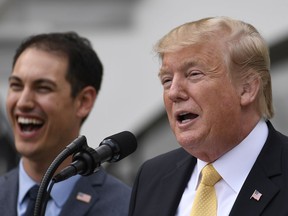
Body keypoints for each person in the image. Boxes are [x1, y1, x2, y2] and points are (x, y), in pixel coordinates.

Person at [128, 16, 288, 216]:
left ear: (247, 89)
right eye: (167, 80)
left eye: (194, 74)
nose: (173, 92)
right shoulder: (152, 177)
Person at [0, 32, 131, 216]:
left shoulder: (128, 208)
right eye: (16, 85)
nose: (22, 102)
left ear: (84, 101)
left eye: (43, 88)